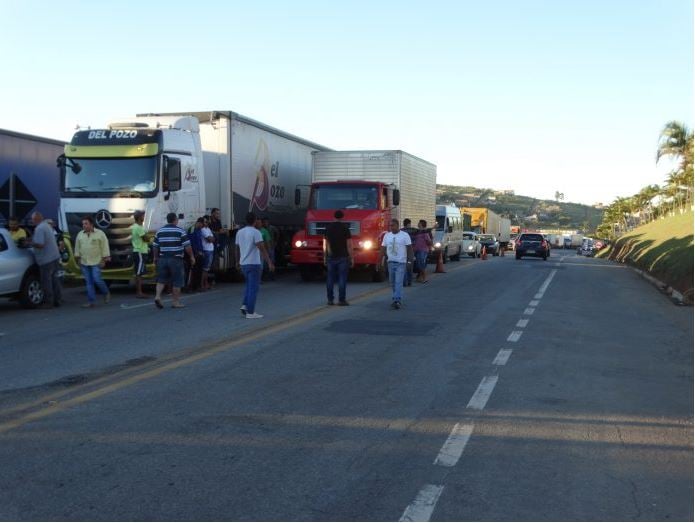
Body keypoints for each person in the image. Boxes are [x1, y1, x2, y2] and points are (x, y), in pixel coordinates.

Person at [152, 213, 195, 309]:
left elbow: (155, 246)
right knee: (177, 280)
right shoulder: (180, 231)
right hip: (176, 259)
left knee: (161, 280)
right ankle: (175, 302)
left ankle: (158, 296)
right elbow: (187, 246)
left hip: (162, 259)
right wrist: (192, 257)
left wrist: (155, 257)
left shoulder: (159, 231)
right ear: (175, 220)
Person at [235, 212, 274, 319]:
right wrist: (269, 262)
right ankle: (250, 312)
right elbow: (261, 248)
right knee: (254, 288)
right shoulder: (256, 232)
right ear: (255, 220)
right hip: (254, 263)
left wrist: (238, 261)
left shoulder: (240, 232)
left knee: (249, 286)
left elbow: (237, 248)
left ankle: (245, 305)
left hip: (244, 264)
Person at [26, 211, 62, 308]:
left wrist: (30, 243)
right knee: (55, 280)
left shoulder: (39, 228)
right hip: (55, 257)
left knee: (46, 281)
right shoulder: (46, 226)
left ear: (36, 219)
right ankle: (57, 300)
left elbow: (41, 244)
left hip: (46, 259)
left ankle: (48, 302)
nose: (32, 221)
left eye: (32, 219)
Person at [74, 215, 111, 308]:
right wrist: (78, 258)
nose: (84, 225)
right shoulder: (80, 234)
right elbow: (77, 247)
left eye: (86, 223)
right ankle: (91, 301)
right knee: (89, 282)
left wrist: (104, 259)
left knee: (97, 280)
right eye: (83, 224)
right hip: (84, 262)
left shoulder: (100, 233)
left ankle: (106, 293)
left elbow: (104, 246)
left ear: (91, 224)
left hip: (97, 261)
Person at [380, 218, 413, 310]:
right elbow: (382, 248)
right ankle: (396, 298)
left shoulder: (405, 235)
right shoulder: (387, 236)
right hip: (390, 262)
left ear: (397, 226)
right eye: (390, 226)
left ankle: (397, 300)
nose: (391, 227)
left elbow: (410, 249)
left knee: (398, 282)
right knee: (392, 283)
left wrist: (409, 261)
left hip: (401, 263)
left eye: (393, 225)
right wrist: (379, 261)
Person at [324, 209, 354, 306]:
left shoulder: (328, 228)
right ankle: (341, 300)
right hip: (343, 257)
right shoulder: (345, 228)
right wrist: (351, 257)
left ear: (334, 217)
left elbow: (325, 244)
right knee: (342, 278)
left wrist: (325, 256)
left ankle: (330, 300)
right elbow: (349, 245)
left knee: (330, 278)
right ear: (342, 217)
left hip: (331, 257)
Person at [130, 210, 149, 298]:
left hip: (139, 251)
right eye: (143, 216)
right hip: (140, 251)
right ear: (139, 217)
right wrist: (147, 237)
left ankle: (139, 291)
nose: (144, 217)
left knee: (139, 272)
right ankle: (139, 292)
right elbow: (146, 239)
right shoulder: (138, 228)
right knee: (139, 273)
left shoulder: (136, 227)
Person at [186, 217, 205, 292]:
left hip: (199, 253)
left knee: (198, 270)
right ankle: (189, 287)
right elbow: (191, 242)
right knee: (192, 270)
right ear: (199, 223)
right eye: (202, 224)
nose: (202, 226)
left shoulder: (199, 230)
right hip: (193, 253)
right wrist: (196, 252)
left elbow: (199, 242)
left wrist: (201, 251)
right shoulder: (192, 229)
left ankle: (197, 286)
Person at [200, 216, 215, 291]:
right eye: (205, 222)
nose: (207, 223)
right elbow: (209, 239)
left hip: (210, 250)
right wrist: (211, 239)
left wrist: (211, 239)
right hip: (206, 250)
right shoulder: (203, 230)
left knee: (207, 269)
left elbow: (213, 239)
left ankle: (206, 283)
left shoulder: (208, 229)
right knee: (205, 269)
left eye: (207, 221)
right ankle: (203, 284)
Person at [401, 218, 418, 286]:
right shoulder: (412, 230)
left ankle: (404, 281)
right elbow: (423, 231)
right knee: (410, 267)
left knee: (404, 267)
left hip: (403, 252)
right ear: (408, 224)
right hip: (410, 252)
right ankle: (409, 281)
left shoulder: (400, 231)